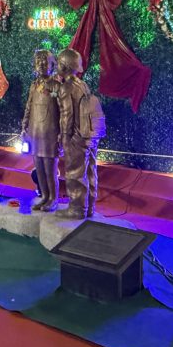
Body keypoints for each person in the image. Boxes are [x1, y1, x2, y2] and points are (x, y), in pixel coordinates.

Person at [55, 48, 104, 219]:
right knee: (90, 171)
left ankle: (77, 209)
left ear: (64, 66)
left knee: (75, 172)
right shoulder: (82, 84)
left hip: (76, 136)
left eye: (58, 63)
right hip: (90, 134)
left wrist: (64, 138)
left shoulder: (66, 87)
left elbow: (66, 116)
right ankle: (89, 207)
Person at [22, 49, 62, 212]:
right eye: (38, 61)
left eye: (45, 61)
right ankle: (44, 196)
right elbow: (29, 107)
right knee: (39, 167)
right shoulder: (34, 85)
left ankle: (53, 198)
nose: (41, 64)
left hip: (50, 133)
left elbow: (63, 110)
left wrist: (61, 133)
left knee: (50, 168)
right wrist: (24, 126)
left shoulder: (56, 86)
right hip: (35, 132)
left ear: (52, 65)